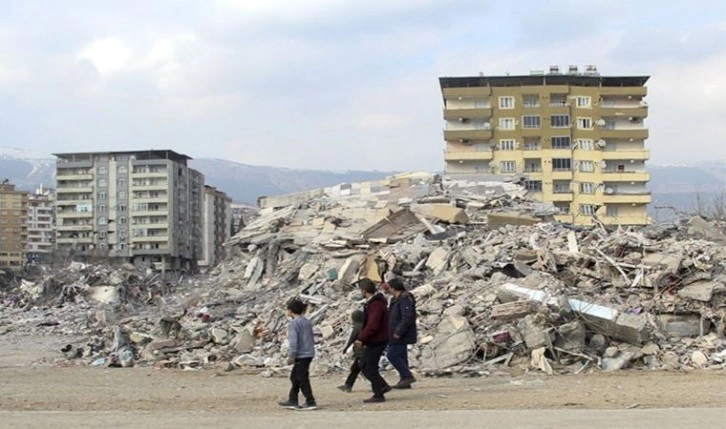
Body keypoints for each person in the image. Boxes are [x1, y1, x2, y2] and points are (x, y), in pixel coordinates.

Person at [354, 278, 391, 403]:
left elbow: (372, 325)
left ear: (364, 291)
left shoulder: (375, 305)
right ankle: (382, 386)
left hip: (377, 340)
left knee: (370, 367)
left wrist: (361, 338)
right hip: (375, 339)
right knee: (363, 364)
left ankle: (378, 394)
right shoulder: (374, 303)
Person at [278, 297, 317, 411]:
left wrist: (291, 355)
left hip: (301, 354)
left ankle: (310, 401)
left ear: (291, 310)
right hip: (309, 353)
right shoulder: (306, 321)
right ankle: (292, 399)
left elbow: (294, 341)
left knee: (301, 378)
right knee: (295, 376)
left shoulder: (294, 324)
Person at [386, 277, 417, 389]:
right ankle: (405, 381)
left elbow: (408, 317)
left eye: (389, 288)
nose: (388, 290)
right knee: (402, 356)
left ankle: (407, 376)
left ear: (394, 288)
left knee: (392, 355)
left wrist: (399, 330)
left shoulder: (405, 299)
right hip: (394, 332)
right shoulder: (395, 299)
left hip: (400, 333)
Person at [337, 309, 364, 392]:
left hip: (360, 352)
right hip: (364, 351)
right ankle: (348, 385)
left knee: (366, 370)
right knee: (355, 369)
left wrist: (346, 348)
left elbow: (352, 338)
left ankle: (382, 385)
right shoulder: (365, 325)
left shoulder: (357, 327)